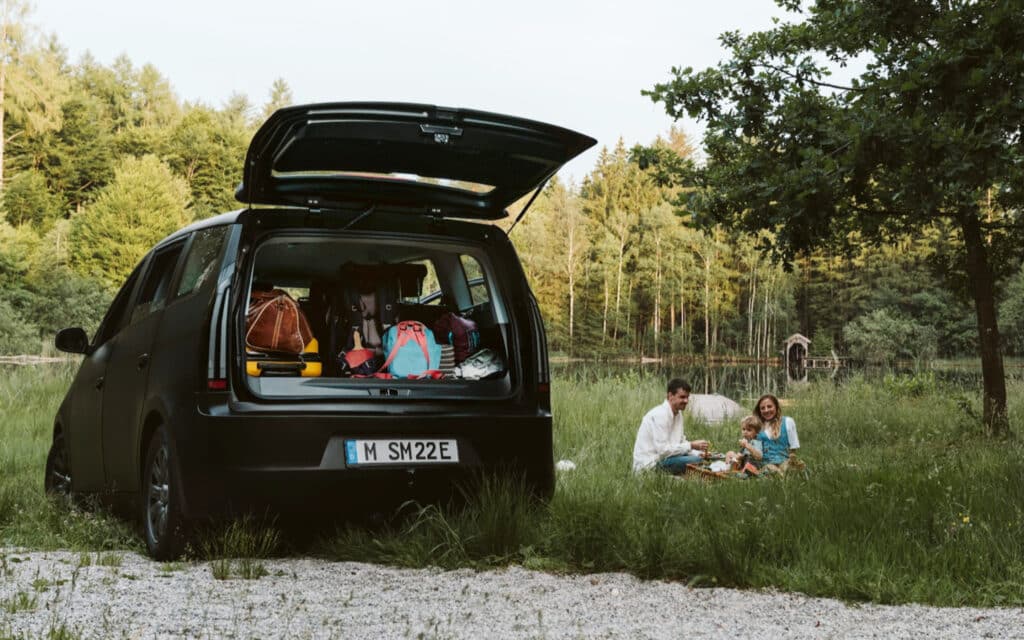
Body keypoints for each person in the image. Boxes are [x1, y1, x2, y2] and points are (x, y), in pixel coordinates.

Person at [632, 378, 709, 474]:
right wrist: (691, 445)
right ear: (670, 396)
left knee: (702, 458)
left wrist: (698, 453)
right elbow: (663, 451)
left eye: (687, 397)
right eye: (682, 397)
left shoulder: (678, 414)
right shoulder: (660, 414)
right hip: (649, 464)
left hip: (665, 458)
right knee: (696, 461)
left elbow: (680, 442)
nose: (686, 401)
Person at [754, 394, 801, 473]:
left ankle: (784, 472)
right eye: (762, 408)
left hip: (784, 461)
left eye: (769, 406)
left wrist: (791, 460)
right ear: (759, 411)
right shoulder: (757, 426)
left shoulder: (787, 421)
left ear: (776, 407)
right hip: (765, 463)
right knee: (770, 469)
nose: (766, 410)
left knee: (787, 468)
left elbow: (793, 448)